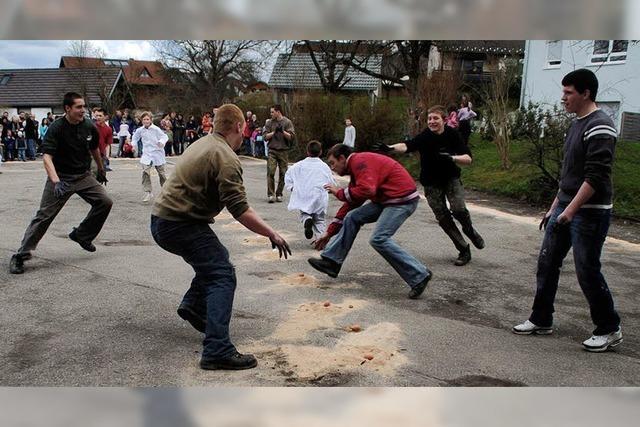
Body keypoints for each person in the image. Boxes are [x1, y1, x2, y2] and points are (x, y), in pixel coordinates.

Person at [150, 103, 291, 371]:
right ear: (239, 127)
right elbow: (239, 209)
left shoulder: (204, 143)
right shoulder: (225, 156)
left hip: (165, 220)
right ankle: (217, 349)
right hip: (178, 223)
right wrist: (271, 232)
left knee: (214, 262)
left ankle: (193, 306)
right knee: (222, 274)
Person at [513, 69, 622, 352]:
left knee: (587, 269)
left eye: (568, 92)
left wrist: (570, 211)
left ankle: (609, 328)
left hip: (591, 211)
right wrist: (554, 208)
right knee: (547, 264)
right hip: (566, 206)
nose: (563, 98)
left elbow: (595, 177)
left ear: (586, 93)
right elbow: (569, 175)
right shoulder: (576, 124)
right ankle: (541, 319)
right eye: (563, 92)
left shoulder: (601, 126)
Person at [308, 144, 432, 299]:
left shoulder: (359, 162)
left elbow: (367, 190)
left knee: (379, 239)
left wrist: (339, 192)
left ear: (342, 158)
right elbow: (351, 203)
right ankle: (332, 262)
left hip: (401, 200)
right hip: (387, 199)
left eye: (333, 163)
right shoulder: (356, 167)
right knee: (353, 217)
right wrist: (329, 233)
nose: (332, 168)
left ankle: (419, 275)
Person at [9, 92, 111, 275]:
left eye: (84, 106)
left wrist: (101, 169)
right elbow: (47, 156)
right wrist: (56, 181)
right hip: (61, 177)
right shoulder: (56, 128)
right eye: (79, 107)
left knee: (105, 202)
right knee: (44, 216)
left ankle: (82, 235)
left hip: (82, 176)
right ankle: (20, 255)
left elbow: (94, 148)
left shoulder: (88, 126)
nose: (83, 110)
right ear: (68, 109)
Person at [380, 105, 484, 266]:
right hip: (431, 183)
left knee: (459, 210)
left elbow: (468, 158)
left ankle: (469, 229)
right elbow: (408, 145)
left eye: (435, 118)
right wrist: (390, 148)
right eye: (429, 118)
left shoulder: (452, 135)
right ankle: (463, 249)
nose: (432, 121)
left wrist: (452, 158)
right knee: (443, 218)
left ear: (444, 119)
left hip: (451, 179)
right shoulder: (425, 136)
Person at [284, 140, 336, 240]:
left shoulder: (298, 165)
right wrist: (331, 189)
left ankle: (307, 219)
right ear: (320, 152)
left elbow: (288, 175)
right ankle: (320, 239)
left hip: (304, 194)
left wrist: (291, 187)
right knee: (319, 219)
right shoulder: (324, 167)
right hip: (319, 195)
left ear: (307, 152)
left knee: (304, 212)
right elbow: (331, 182)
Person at [132, 111, 168, 203]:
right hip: (147, 154)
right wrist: (133, 146)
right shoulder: (140, 130)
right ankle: (148, 192)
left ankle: (166, 192)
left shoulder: (156, 129)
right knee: (145, 172)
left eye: (147, 119)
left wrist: (161, 142)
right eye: (144, 119)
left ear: (151, 120)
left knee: (161, 173)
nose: (146, 121)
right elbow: (135, 138)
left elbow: (164, 137)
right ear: (141, 120)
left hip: (157, 153)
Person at [264, 105, 295, 203]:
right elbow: (265, 137)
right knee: (271, 172)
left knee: (283, 173)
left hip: (283, 151)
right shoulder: (269, 123)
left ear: (278, 112)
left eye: (273, 112)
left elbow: (291, 137)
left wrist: (282, 131)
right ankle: (271, 194)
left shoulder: (287, 122)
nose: (271, 114)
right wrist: (274, 132)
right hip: (272, 150)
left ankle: (279, 193)